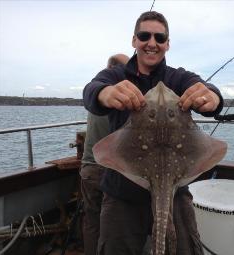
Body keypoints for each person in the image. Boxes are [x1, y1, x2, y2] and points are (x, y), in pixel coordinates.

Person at [83, 11, 224, 255]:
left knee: (186, 248)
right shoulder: (115, 76)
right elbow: (91, 90)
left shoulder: (178, 77)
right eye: (144, 35)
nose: (152, 43)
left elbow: (206, 89)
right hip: (121, 191)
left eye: (160, 38)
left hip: (174, 188)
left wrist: (212, 97)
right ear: (134, 40)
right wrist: (104, 93)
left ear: (167, 44)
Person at [80, 54, 129, 255]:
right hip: (111, 172)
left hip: (89, 168)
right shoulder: (122, 100)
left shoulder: (97, 97)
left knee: (92, 222)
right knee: (114, 227)